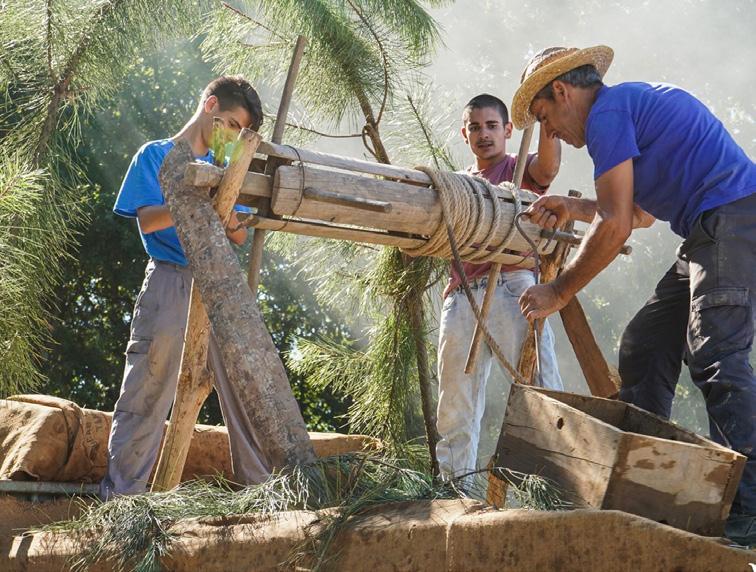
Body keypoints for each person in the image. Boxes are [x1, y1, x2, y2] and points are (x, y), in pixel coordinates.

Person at [512, 45, 756, 544]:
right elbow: (639, 214)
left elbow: (618, 223)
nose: (552, 133)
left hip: (734, 218)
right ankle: (648, 487)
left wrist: (558, 290)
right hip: (714, 227)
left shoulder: (609, 113)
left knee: (716, 353)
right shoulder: (624, 112)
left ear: (562, 91)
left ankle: (749, 508)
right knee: (644, 344)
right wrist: (570, 204)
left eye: (545, 118)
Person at [101, 76, 270, 498]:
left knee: (245, 387)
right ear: (210, 105)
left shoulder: (225, 166)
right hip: (169, 279)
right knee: (149, 388)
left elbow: (237, 234)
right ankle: (123, 500)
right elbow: (147, 220)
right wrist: (192, 197)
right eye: (230, 124)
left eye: (240, 132)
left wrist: (224, 196)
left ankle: (263, 495)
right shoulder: (156, 155)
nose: (231, 135)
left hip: (220, 285)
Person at [435, 93, 564, 486]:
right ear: (464, 133)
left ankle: (558, 489)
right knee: (454, 406)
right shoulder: (458, 185)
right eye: (475, 127)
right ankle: (455, 494)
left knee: (540, 392)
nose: (484, 134)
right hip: (461, 296)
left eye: (492, 126)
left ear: (508, 130)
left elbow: (549, 166)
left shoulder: (519, 167)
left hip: (511, 285)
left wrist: (547, 118)